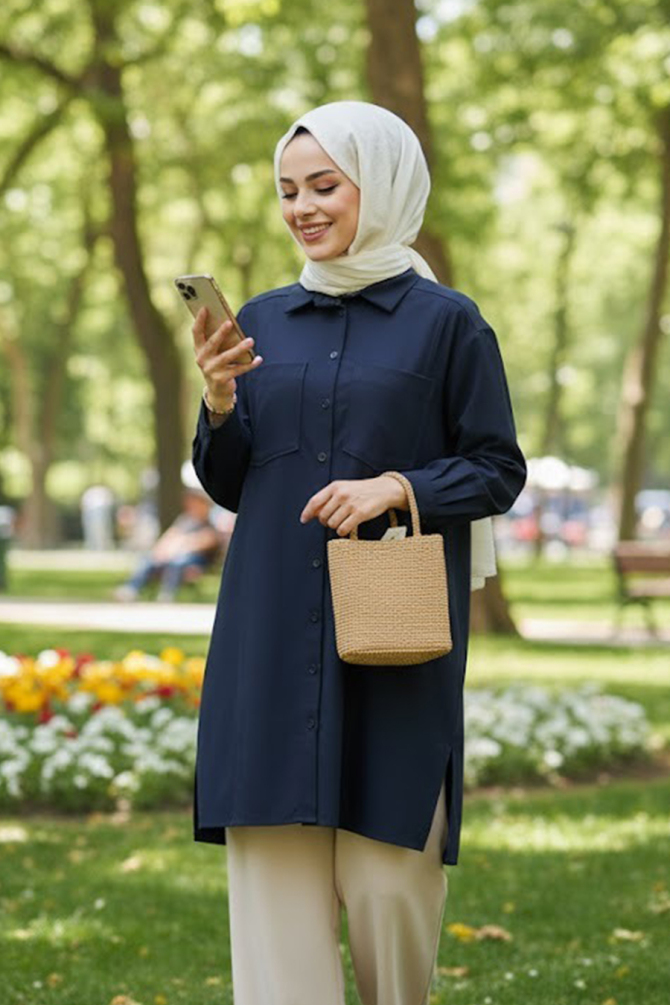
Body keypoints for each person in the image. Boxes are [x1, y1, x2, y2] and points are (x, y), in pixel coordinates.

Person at [190, 100, 527, 1005]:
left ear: (378, 186)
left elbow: (498, 468)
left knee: (390, 894)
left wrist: (399, 487)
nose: (301, 206)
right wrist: (219, 403)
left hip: (392, 644)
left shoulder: (448, 323)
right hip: (268, 642)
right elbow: (231, 480)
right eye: (287, 189)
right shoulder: (259, 318)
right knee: (276, 922)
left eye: (323, 186)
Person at [113, 486, 222, 602]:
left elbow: (206, 541)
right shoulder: (185, 520)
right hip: (173, 555)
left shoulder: (209, 523)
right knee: (148, 560)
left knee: (178, 562)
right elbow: (170, 536)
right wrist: (161, 551)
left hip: (195, 559)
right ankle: (131, 589)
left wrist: (178, 547)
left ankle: (167, 594)